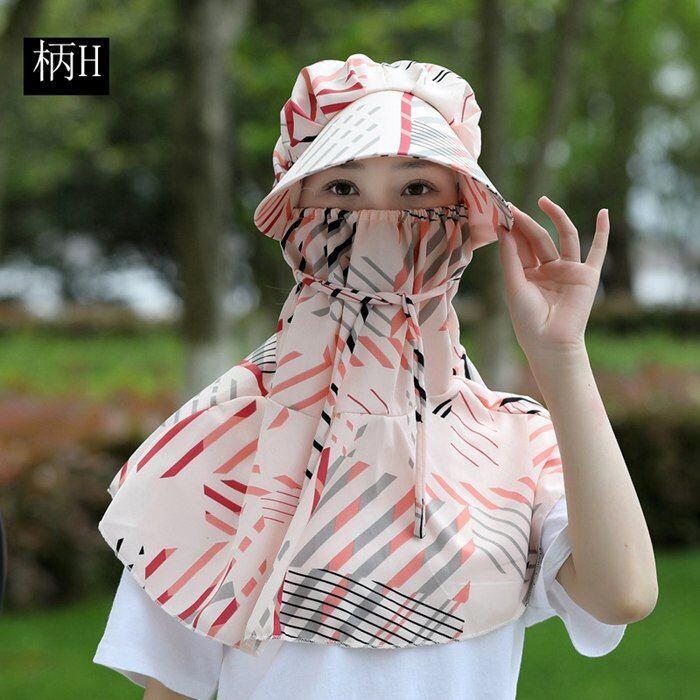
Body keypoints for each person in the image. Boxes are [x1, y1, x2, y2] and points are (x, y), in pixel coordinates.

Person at [92, 55, 658, 699]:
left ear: (465, 214)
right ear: (294, 210)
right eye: (341, 189)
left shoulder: (515, 442)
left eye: (417, 190)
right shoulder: (219, 437)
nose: (379, 219)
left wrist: (562, 357)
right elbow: (171, 691)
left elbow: (623, 594)